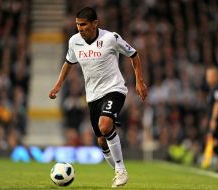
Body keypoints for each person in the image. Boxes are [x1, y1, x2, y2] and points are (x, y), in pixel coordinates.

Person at [49, 7, 147, 187]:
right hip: (92, 96)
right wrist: (58, 85)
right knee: (101, 140)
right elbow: (68, 63)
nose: (80, 28)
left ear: (95, 24)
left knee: (105, 124)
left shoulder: (110, 38)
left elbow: (134, 55)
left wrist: (139, 81)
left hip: (114, 89)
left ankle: (121, 169)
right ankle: (118, 171)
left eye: (84, 25)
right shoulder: (74, 42)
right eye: (78, 25)